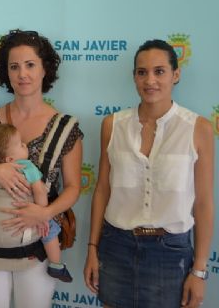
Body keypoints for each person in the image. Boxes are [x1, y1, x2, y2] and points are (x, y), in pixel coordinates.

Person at [0, 29, 83, 308]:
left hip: (37, 247)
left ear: (45, 69)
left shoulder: (66, 127)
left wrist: (45, 212)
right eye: (14, 66)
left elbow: (74, 186)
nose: (22, 74)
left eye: (30, 65)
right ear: (6, 72)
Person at [83, 39, 214, 308]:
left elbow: (203, 203)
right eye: (142, 72)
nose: (150, 80)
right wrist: (92, 250)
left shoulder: (198, 128)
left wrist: (199, 271)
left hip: (171, 253)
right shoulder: (112, 125)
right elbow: (102, 191)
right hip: (116, 245)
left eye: (159, 71)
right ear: (134, 77)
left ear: (175, 75)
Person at [0, 123, 72, 282]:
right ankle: (56, 264)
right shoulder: (27, 167)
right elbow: (39, 191)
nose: (26, 145)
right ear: (9, 159)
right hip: (25, 234)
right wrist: (42, 214)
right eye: (21, 144)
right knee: (50, 229)